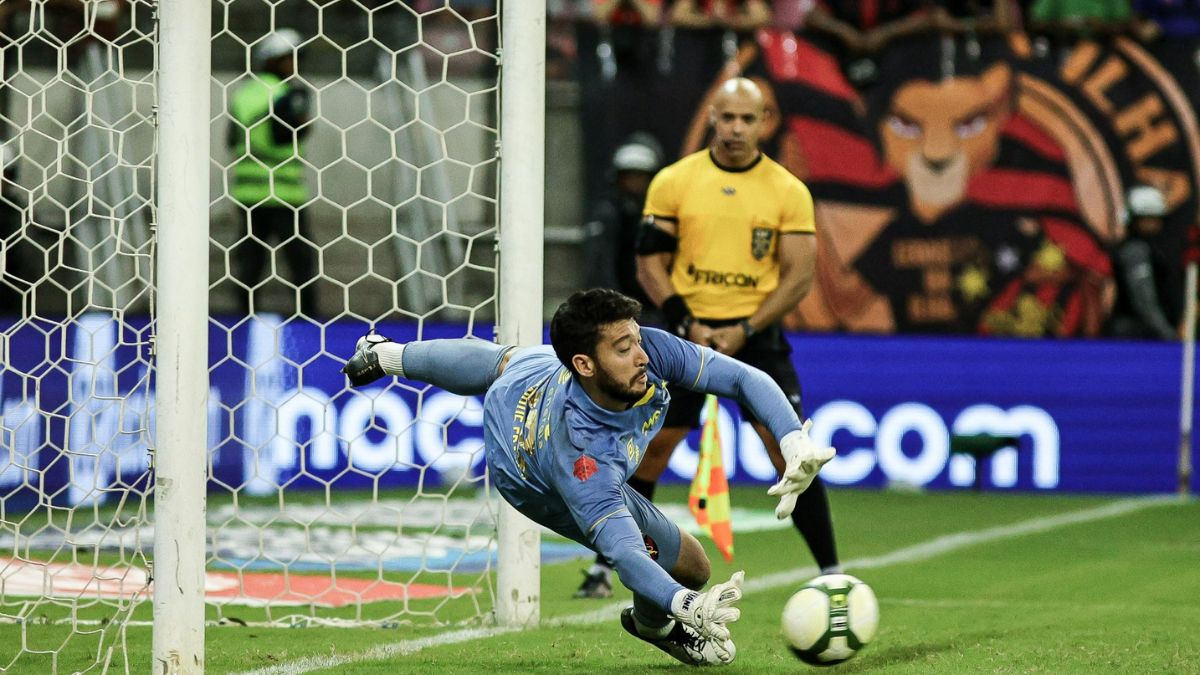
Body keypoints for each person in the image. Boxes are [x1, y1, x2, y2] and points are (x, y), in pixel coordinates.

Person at [341, 288, 835, 665]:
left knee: (504, 359)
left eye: (636, 340)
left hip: (529, 376)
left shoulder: (649, 353)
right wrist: (684, 603)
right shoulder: (584, 462)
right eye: (623, 349)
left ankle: (385, 353)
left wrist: (793, 441)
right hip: (528, 472)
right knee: (689, 568)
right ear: (586, 363)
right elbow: (622, 553)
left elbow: (744, 377)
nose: (641, 356)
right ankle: (658, 626)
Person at [574, 78, 841, 600]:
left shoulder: (787, 190)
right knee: (647, 453)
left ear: (766, 121)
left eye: (748, 118)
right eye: (727, 117)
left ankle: (833, 573)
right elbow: (649, 261)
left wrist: (745, 329)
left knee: (793, 455)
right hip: (684, 336)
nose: (736, 128)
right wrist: (685, 319)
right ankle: (606, 564)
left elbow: (799, 276)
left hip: (756, 335)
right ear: (713, 117)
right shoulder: (675, 181)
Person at [228, 28, 317, 317]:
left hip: (248, 193)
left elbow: (231, 139)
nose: (295, 66)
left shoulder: (243, 92)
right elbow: (288, 135)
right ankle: (307, 321)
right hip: (284, 193)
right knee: (301, 264)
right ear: (274, 60)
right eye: (290, 59)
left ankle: (243, 320)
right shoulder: (287, 94)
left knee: (250, 263)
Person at [584, 133, 663, 312]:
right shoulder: (607, 214)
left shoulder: (662, 215)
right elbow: (600, 263)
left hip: (657, 310)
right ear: (617, 178)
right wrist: (612, 306)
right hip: (616, 308)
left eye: (640, 176)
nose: (634, 182)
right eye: (629, 175)